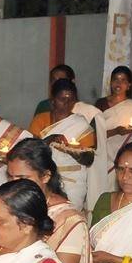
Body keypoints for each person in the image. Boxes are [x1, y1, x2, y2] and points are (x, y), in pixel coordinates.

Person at [29, 78, 97, 212]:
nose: (66, 103)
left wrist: (71, 151)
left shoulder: (81, 124)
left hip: (73, 182)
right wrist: (49, 140)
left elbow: (89, 159)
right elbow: (30, 150)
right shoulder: (40, 120)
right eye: (62, 99)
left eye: (71, 99)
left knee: (67, 216)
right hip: (45, 178)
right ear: (53, 100)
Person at [95, 66, 132, 191]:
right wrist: (116, 131)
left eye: (123, 80)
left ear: (129, 85)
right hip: (102, 157)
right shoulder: (101, 104)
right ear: (110, 82)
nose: (118, 83)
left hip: (123, 158)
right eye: (115, 79)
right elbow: (95, 134)